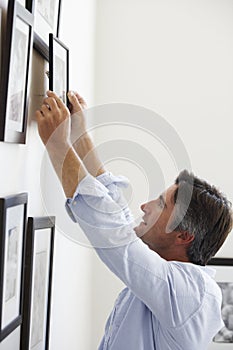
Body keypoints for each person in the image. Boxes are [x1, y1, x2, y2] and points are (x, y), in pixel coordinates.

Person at [36, 90, 233, 350]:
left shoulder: (192, 293)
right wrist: (80, 137)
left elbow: (117, 237)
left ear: (183, 235)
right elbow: (118, 217)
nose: (145, 206)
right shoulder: (164, 272)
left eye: (161, 205)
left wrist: (57, 144)